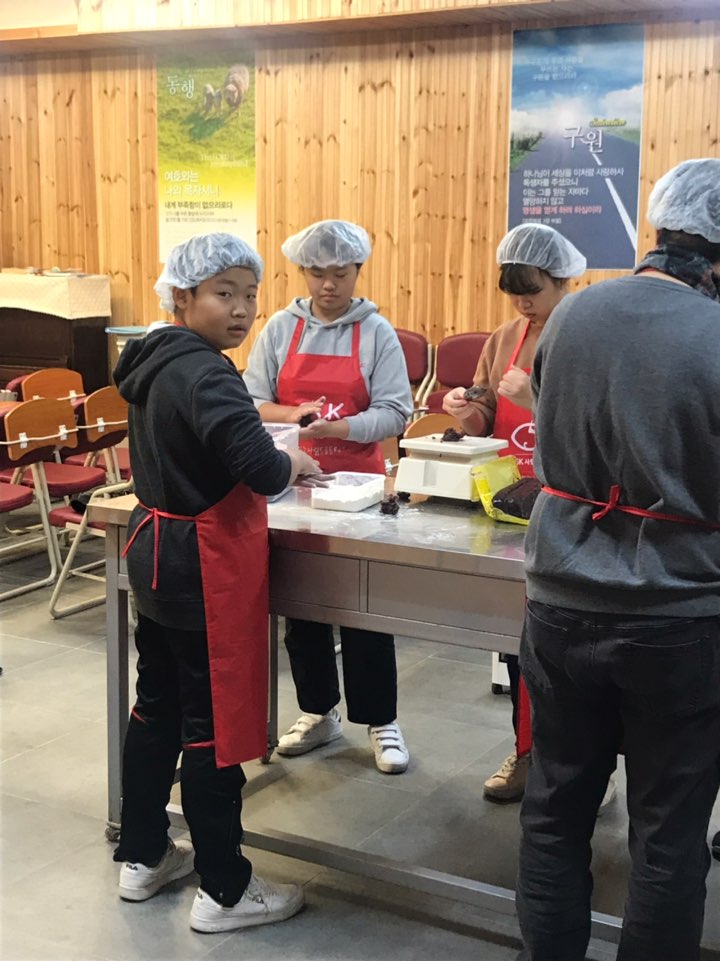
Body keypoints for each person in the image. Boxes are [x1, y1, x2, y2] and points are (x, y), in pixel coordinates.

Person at [517, 158, 720, 961]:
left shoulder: (572, 313)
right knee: (668, 831)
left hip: (559, 603)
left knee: (555, 807)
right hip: (678, 616)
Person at [112, 233, 323, 934]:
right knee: (212, 726)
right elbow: (261, 469)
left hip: (155, 550)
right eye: (223, 293)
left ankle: (144, 854)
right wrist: (294, 464)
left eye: (250, 295)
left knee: (157, 708)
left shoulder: (153, 359)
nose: (241, 309)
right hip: (202, 563)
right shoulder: (207, 373)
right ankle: (226, 889)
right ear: (182, 296)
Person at [243, 219, 414, 774]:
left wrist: (339, 429)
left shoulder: (376, 332)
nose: (328, 285)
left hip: (358, 491)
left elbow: (396, 411)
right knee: (303, 608)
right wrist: (293, 414)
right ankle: (319, 711)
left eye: (340, 273)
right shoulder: (280, 329)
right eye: (317, 274)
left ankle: (381, 720)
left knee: (366, 609)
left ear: (357, 271)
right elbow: (251, 399)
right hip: (292, 486)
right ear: (303, 273)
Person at [443, 223, 587, 802]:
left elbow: (594, 424)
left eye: (534, 291)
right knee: (514, 640)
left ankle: (578, 763)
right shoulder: (505, 336)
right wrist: (465, 408)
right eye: (514, 294)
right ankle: (527, 751)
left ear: (562, 278)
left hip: (568, 504)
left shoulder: (586, 332)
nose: (524, 305)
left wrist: (536, 399)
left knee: (561, 649)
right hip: (509, 497)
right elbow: (484, 410)